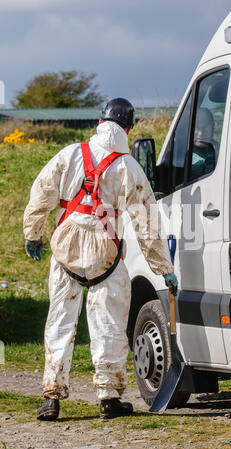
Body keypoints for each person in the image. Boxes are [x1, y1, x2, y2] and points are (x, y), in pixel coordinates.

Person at [23, 98, 178, 421]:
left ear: (99, 122)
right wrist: (164, 269)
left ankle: (51, 397)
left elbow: (42, 192)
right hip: (106, 256)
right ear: (129, 128)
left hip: (67, 250)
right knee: (109, 326)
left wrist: (32, 234)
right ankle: (108, 397)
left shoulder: (68, 155)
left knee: (59, 324)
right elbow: (147, 227)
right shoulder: (129, 167)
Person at [191, 107, 218, 180]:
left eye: (206, 127)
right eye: (197, 127)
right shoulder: (182, 152)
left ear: (212, 128)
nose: (201, 133)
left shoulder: (221, 150)